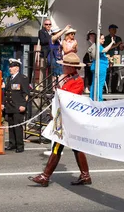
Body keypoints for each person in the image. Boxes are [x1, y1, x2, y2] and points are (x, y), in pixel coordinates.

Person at [29, 53, 92, 186]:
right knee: (76, 147)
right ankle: (85, 176)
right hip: (64, 117)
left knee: (57, 146)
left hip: (68, 119)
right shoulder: (68, 78)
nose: (63, 67)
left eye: (65, 65)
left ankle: (45, 176)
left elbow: (68, 98)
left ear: (71, 67)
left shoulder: (77, 81)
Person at [3, 58, 31, 152]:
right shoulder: (8, 78)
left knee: (18, 126)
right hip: (10, 106)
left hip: (18, 106)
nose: (10, 69)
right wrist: (3, 104)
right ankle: (12, 143)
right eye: (10, 67)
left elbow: (26, 93)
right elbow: (6, 92)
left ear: (17, 68)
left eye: (12, 67)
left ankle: (20, 145)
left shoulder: (22, 78)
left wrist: (23, 105)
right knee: (11, 126)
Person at [90, 34, 116, 101]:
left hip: (97, 66)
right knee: (99, 84)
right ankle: (98, 99)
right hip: (100, 68)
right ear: (98, 39)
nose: (103, 40)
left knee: (95, 83)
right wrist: (111, 43)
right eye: (102, 38)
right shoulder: (98, 46)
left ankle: (92, 98)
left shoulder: (97, 46)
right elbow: (105, 50)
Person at [105, 24, 124, 93]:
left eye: (115, 29)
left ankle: (114, 88)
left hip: (116, 57)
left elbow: (121, 48)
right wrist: (116, 45)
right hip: (108, 57)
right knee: (107, 73)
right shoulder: (106, 38)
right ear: (109, 30)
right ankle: (105, 88)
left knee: (115, 73)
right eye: (113, 29)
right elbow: (106, 48)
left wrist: (121, 46)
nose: (114, 31)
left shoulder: (118, 38)